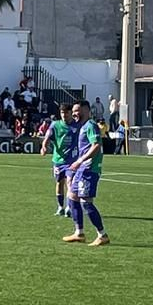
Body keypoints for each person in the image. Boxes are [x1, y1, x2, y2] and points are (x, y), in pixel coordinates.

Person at [63, 100, 109, 247]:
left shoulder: (90, 126)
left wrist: (80, 160)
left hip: (89, 169)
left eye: (76, 111)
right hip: (82, 168)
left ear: (85, 110)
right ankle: (79, 233)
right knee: (72, 196)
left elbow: (96, 145)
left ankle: (102, 235)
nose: (74, 114)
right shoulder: (82, 127)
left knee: (86, 202)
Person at [40, 110, 76, 217]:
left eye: (66, 113)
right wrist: (44, 147)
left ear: (71, 113)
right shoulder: (55, 125)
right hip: (58, 160)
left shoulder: (77, 125)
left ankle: (69, 207)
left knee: (70, 183)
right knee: (59, 183)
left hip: (72, 161)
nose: (64, 115)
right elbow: (47, 138)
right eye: (62, 113)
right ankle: (60, 207)